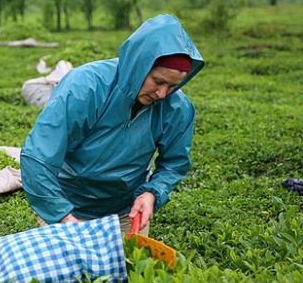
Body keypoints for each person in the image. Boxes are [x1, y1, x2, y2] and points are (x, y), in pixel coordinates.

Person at [20, 14, 205, 234]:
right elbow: (38, 157)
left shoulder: (178, 108)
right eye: (158, 81)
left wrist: (152, 193)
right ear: (140, 66)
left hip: (124, 212)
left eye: (173, 86)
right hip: (64, 203)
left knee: (130, 266)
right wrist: (62, 216)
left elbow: (174, 163)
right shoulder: (85, 86)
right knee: (69, 267)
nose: (162, 93)